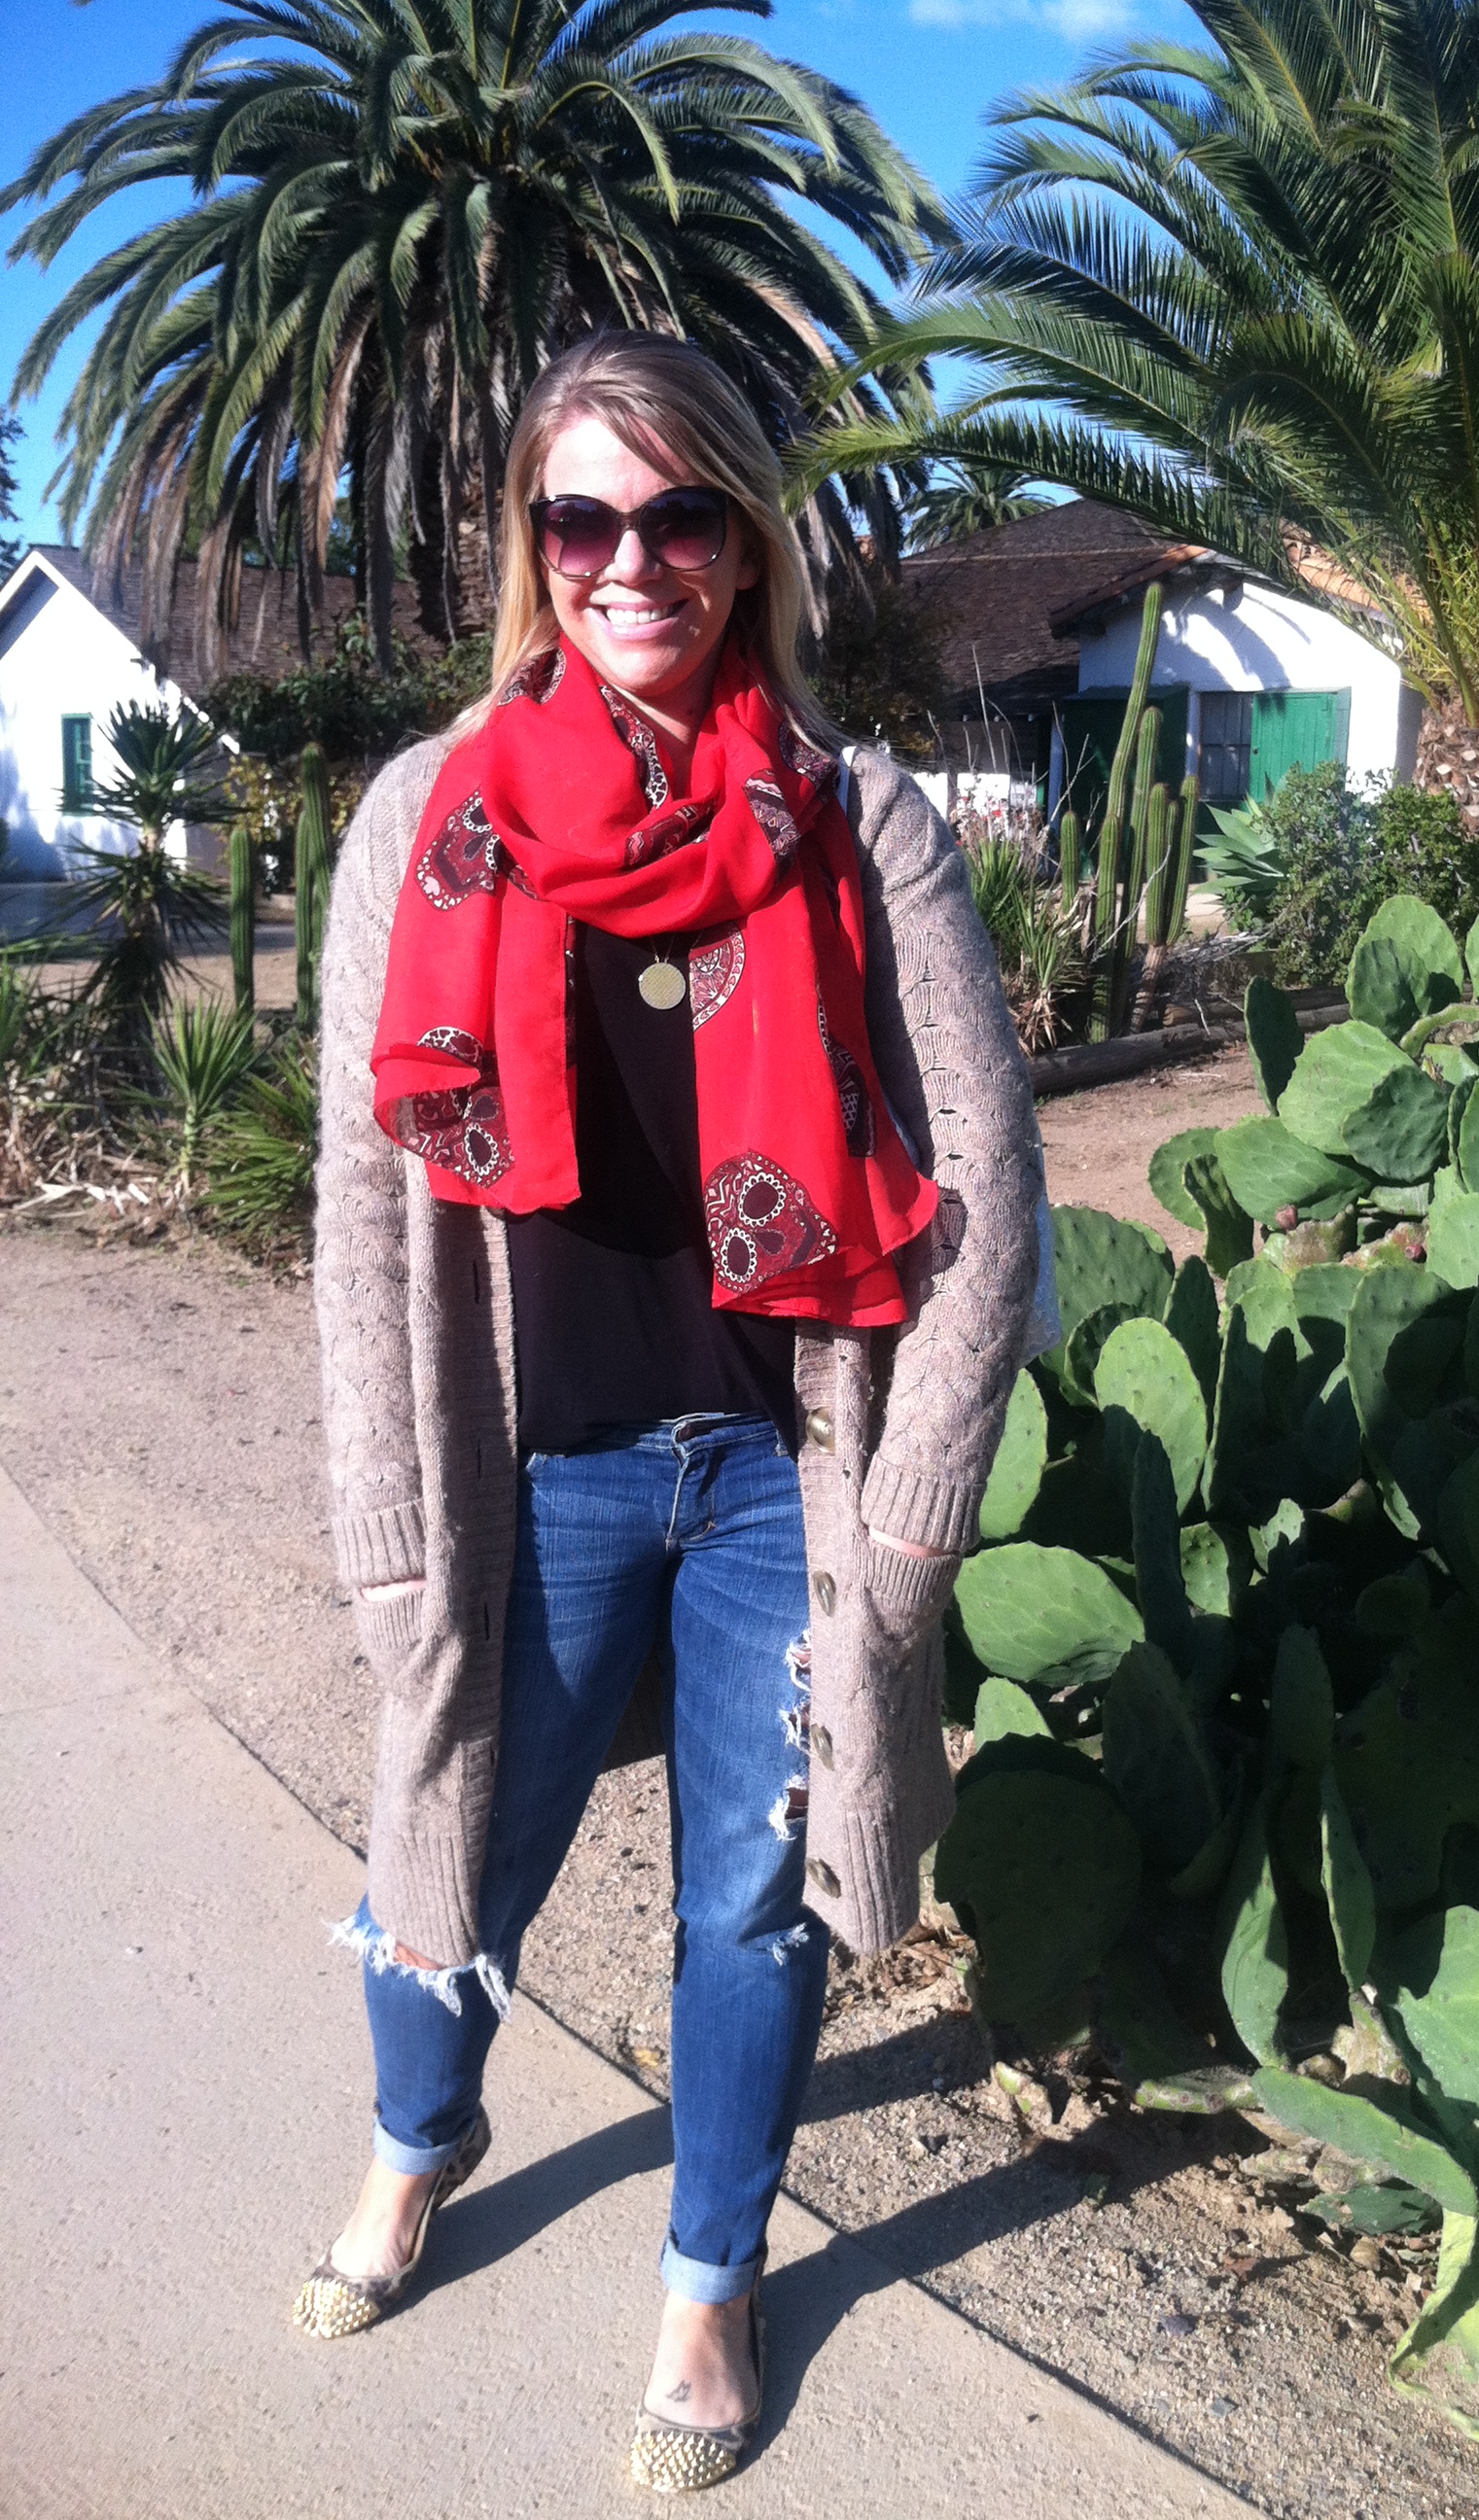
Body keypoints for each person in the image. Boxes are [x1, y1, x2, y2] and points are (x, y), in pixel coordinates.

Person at [296, 330, 1040, 2494]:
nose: (633, 562)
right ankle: (419, 2136)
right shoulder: (425, 820)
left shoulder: (855, 820)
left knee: (750, 1902)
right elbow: (363, 1205)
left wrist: (908, 1516)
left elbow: (987, 1193)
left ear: (747, 541)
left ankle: (711, 2279)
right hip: (526, 1477)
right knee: (454, 1851)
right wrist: (386, 1523)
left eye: (681, 512)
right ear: (533, 548)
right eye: (585, 518)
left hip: (777, 1482)